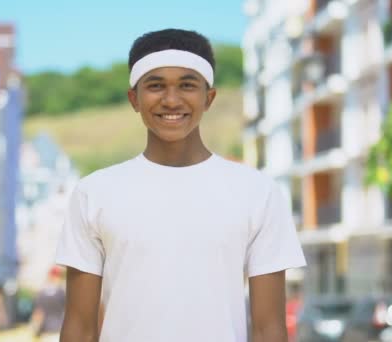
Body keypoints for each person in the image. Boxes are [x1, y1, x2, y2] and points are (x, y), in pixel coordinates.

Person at [55, 28, 306, 342]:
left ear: (208, 97)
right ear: (134, 98)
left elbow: (269, 328)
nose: (171, 100)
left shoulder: (257, 193)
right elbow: (79, 327)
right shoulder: (94, 194)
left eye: (187, 85)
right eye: (155, 85)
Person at [30, 266, 67, 342]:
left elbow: (38, 314)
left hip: (46, 331)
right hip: (59, 330)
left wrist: (34, 329)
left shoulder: (41, 293)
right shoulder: (62, 292)